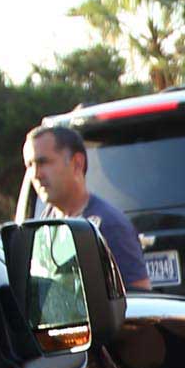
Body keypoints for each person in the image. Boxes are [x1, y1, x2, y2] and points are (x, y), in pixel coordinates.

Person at [22, 123, 149, 292]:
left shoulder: (109, 226)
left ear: (77, 163)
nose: (36, 174)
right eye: (29, 165)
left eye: (43, 162)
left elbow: (139, 299)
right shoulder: (44, 225)